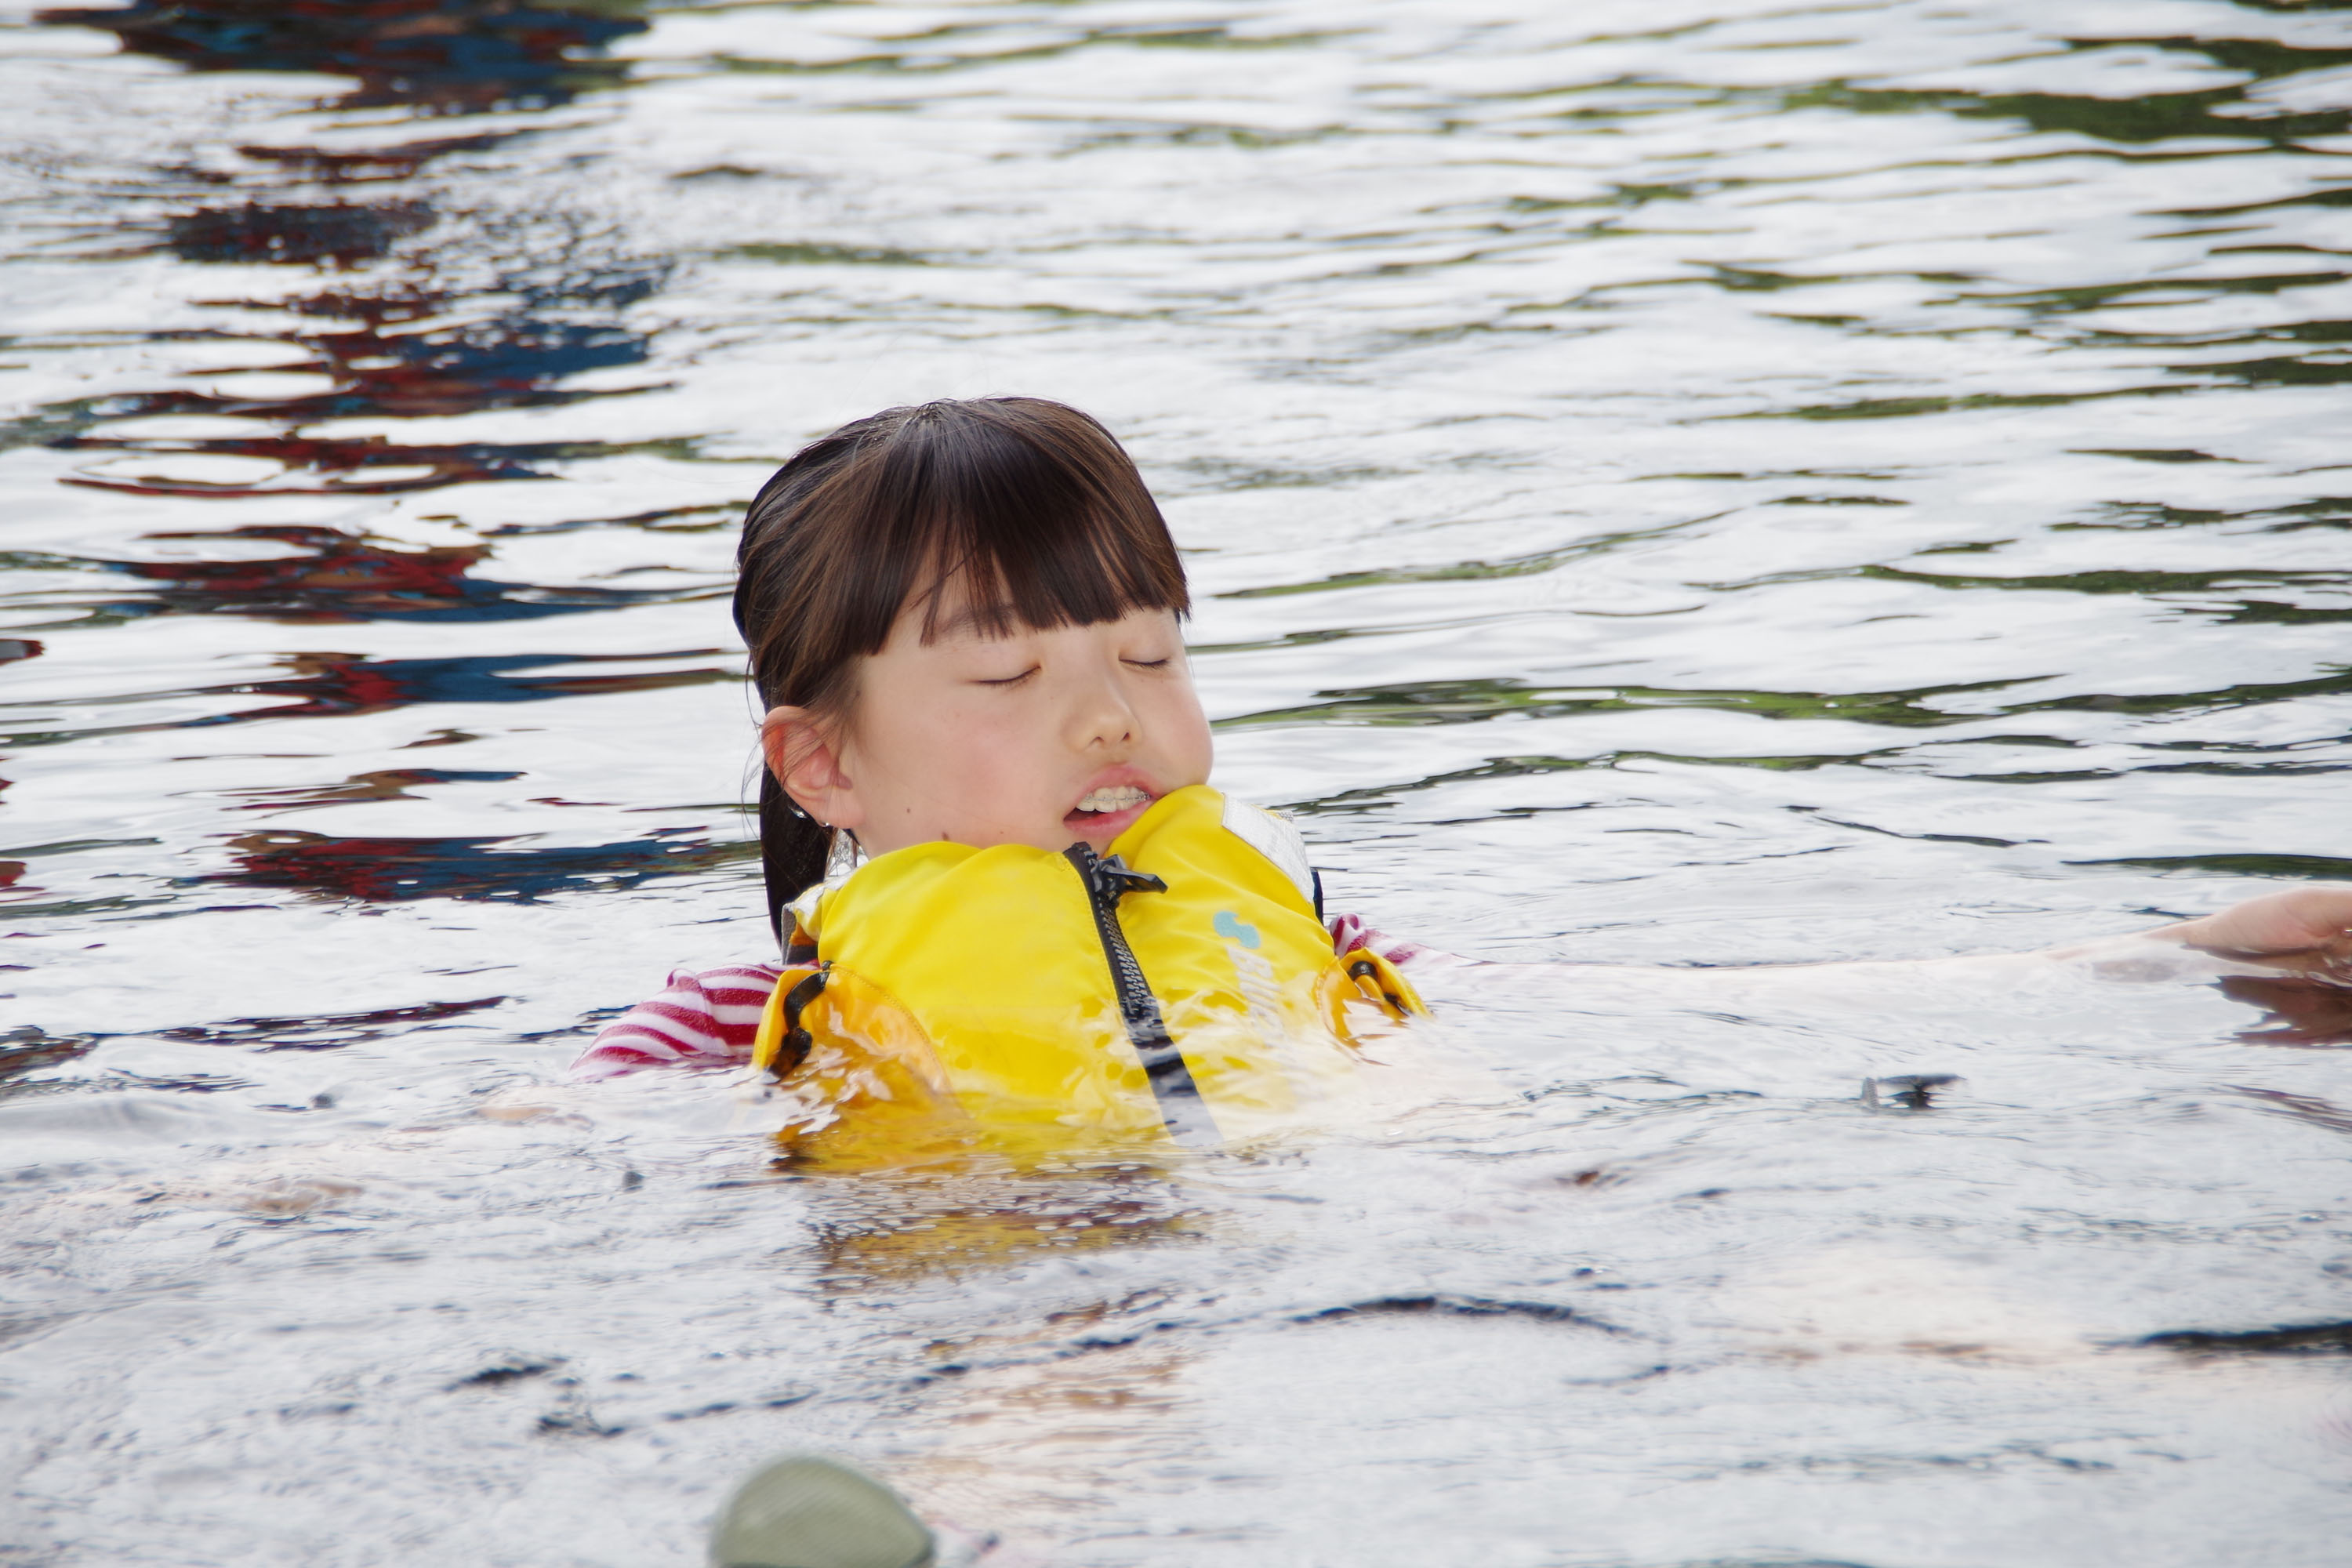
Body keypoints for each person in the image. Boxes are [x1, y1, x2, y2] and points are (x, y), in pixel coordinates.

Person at [575, 397, 2352, 1148]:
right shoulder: (744, 1022)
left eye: (1152, 653)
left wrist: (2178, 951)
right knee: (1048, 1396)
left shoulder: (1300, 948)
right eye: (1009, 673)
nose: (1110, 718)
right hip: (1042, 1296)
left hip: (1394, 1242)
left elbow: (1662, 1002)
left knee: (1828, 1289)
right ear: (820, 762)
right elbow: (509, 1145)